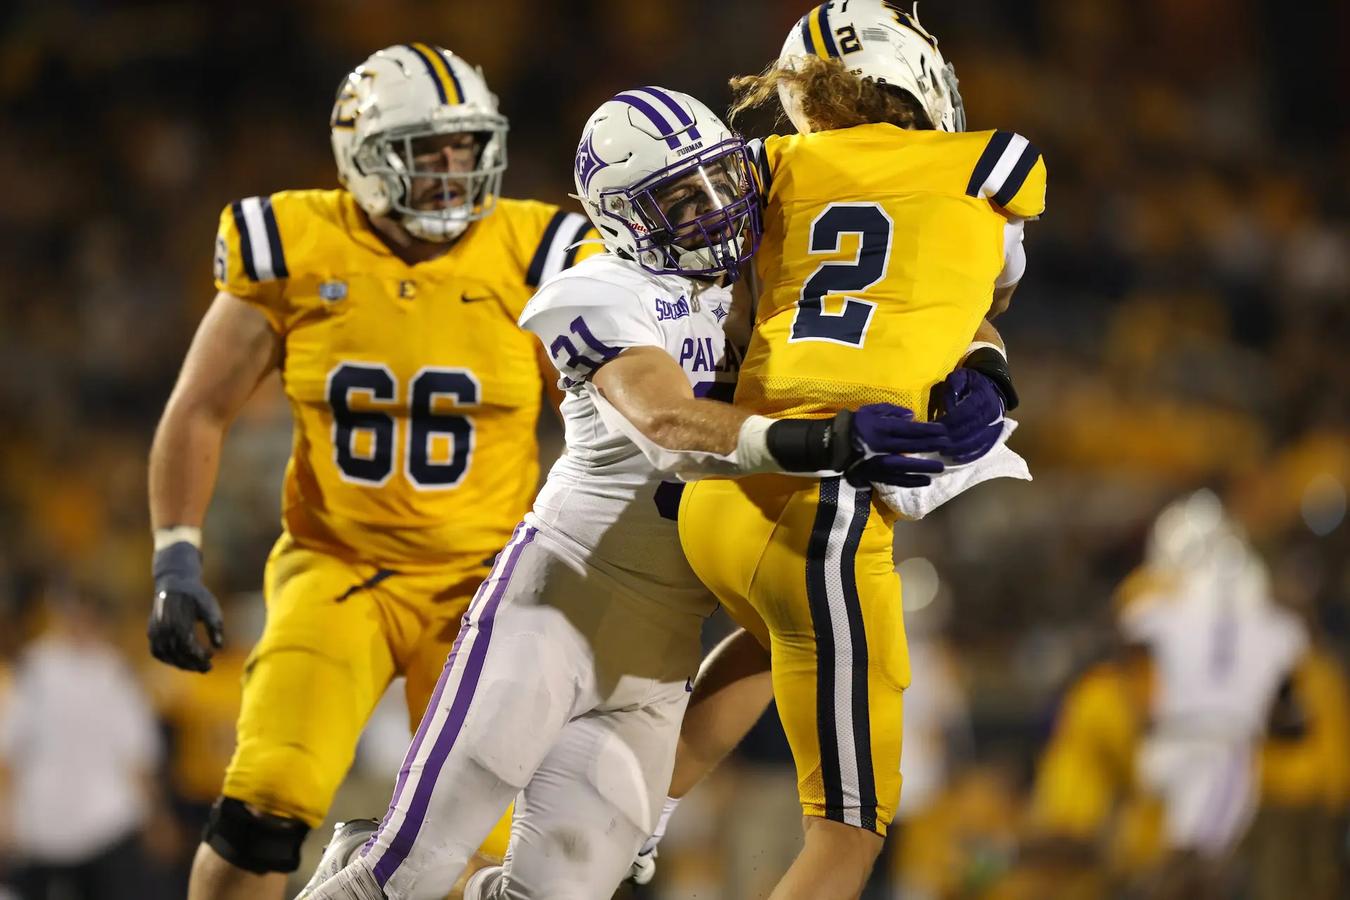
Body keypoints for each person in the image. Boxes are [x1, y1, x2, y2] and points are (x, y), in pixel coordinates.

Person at [302, 85, 953, 900]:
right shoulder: (600, 288)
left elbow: (933, 288)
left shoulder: (777, 263)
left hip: (661, 659)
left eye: (720, 181)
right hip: (557, 609)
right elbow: (669, 421)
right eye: (682, 199)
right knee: (403, 873)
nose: (716, 210)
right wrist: (830, 441)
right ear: (622, 216)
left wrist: (984, 370)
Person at [145, 43, 601, 900]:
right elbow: (199, 407)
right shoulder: (296, 244)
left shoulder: (536, 252)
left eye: (466, 148)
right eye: (430, 151)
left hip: (484, 581)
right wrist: (176, 553)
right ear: (364, 153)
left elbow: (603, 422)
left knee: (498, 845)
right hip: (337, 569)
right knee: (261, 810)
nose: (453, 171)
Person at [672, 3, 1048, 897]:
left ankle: (573, 844)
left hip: (724, 483)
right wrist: (988, 369)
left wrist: (985, 370)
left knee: (763, 649)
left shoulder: (768, 167)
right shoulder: (991, 167)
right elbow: (967, 293)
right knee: (848, 836)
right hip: (828, 509)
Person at [1, 587, 164, 900]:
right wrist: (5, 816)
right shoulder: (34, 669)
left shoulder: (114, 672)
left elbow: (137, 755)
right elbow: (9, 751)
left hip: (107, 824)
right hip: (42, 828)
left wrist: (155, 817)